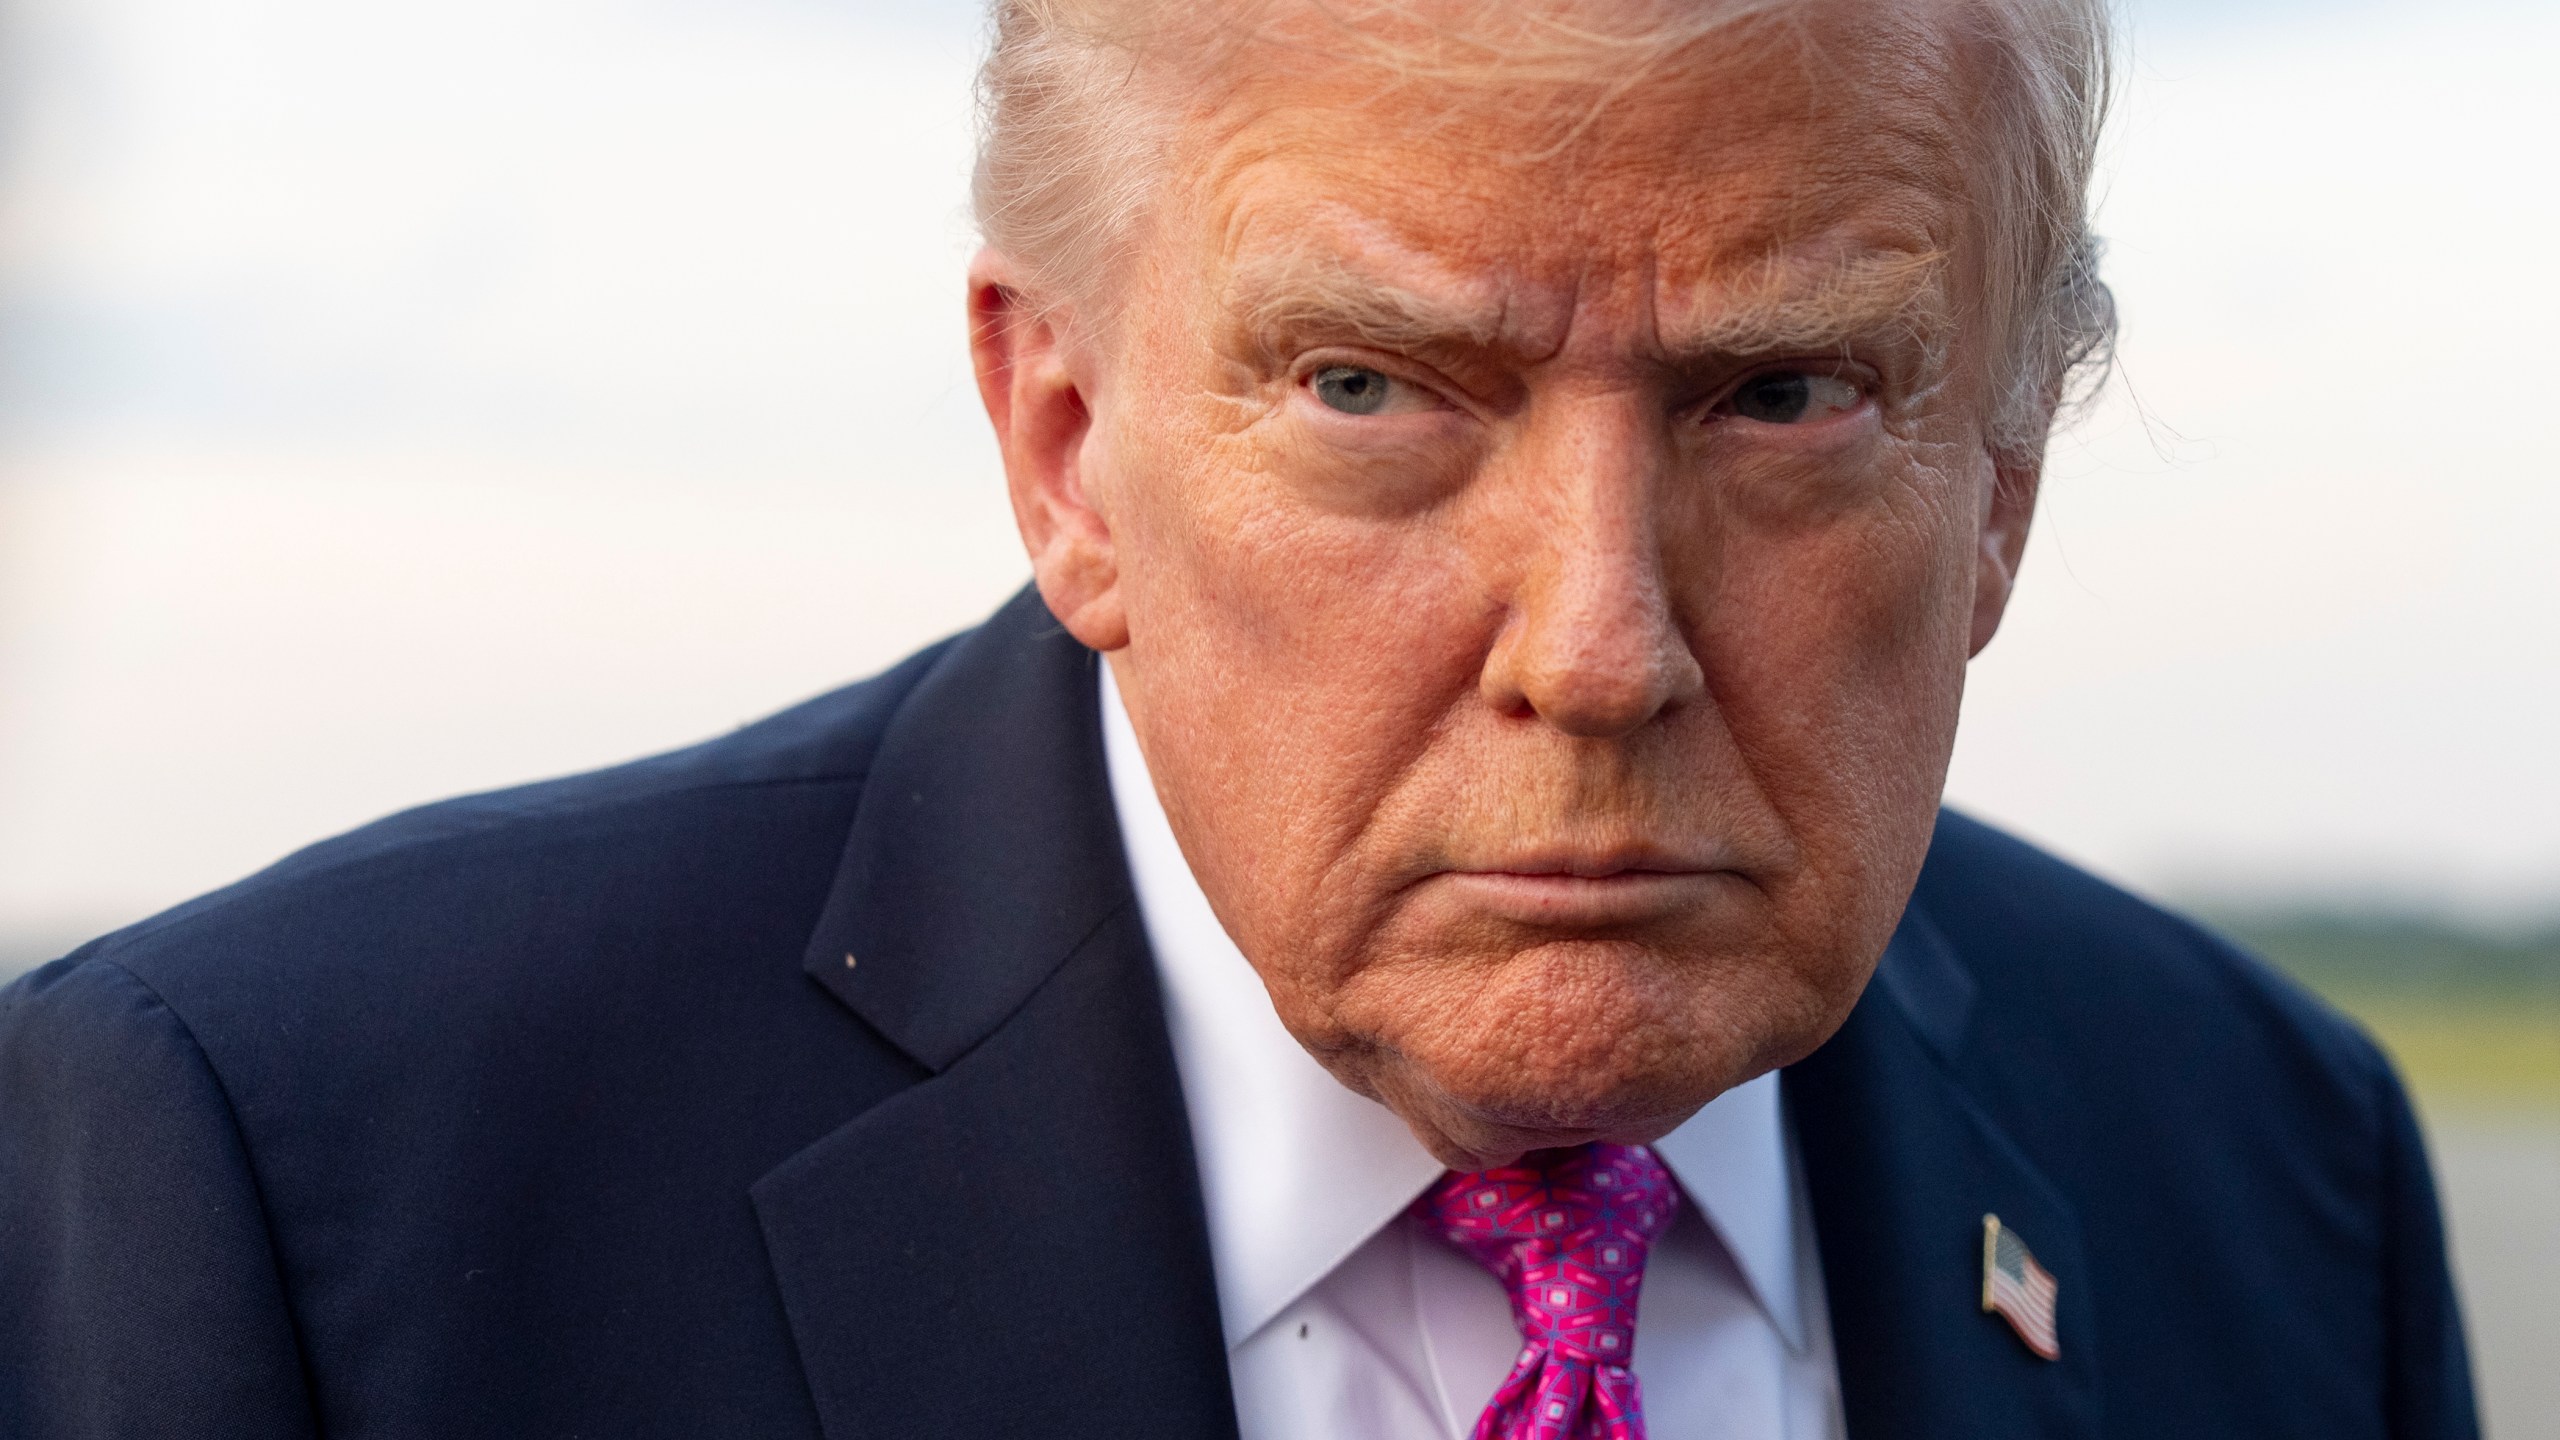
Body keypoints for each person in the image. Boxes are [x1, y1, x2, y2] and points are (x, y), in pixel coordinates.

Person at [0, 0, 2478, 1436]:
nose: (1596, 646)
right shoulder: (282, 1186)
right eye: (1373, 384)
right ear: (1064, 444)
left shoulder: (2270, 1181)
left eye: (1788, 395)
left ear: (2005, 492)